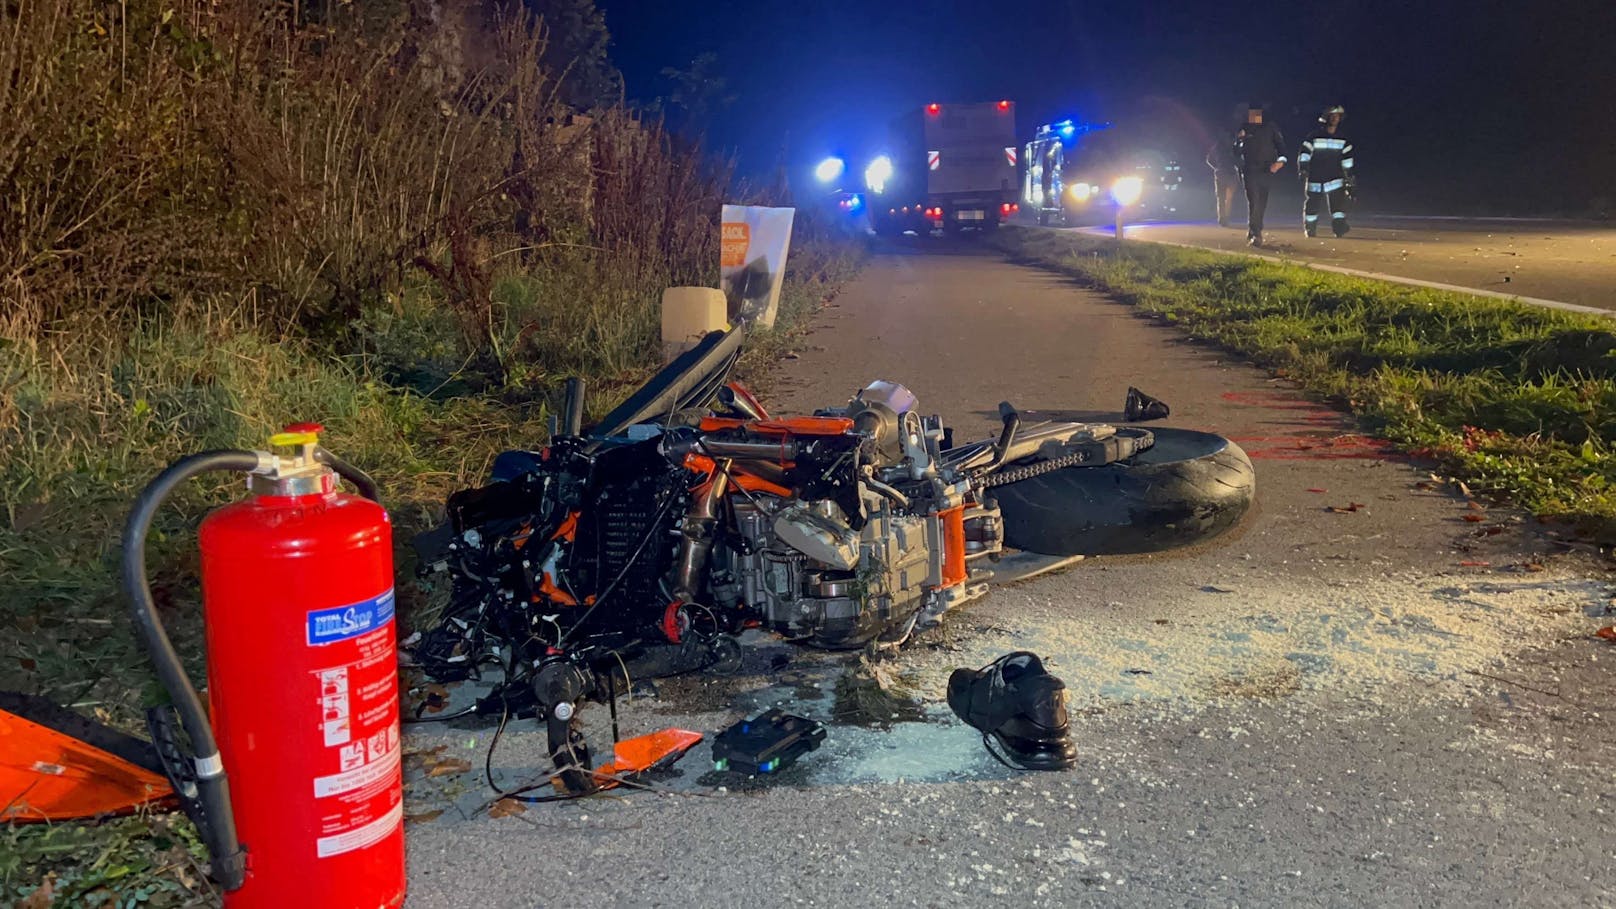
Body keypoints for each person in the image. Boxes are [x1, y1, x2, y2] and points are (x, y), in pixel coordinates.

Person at [1233, 104, 1287, 246]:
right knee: (1254, 200)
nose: (1254, 116)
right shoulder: (1244, 128)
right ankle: (1256, 233)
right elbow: (1236, 152)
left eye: (1257, 113)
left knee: (1262, 202)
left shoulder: (1271, 127)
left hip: (1266, 170)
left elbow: (1282, 149)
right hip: (1249, 170)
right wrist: (1239, 140)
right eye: (1251, 113)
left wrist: (1279, 163)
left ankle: (1255, 229)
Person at [1298, 105, 1356, 237]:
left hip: (1335, 178)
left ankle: (1339, 229)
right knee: (1312, 205)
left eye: (1337, 116)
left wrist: (1350, 178)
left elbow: (1347, 161)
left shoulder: (1343, 139)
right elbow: (1304, 154)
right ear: (1326, 118)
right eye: (1332, 116)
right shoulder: (1313, 136)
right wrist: (1303, 169)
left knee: (1338, 208)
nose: (1335, 118)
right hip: (1315, 177)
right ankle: (1310, 229)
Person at [1206, 134, 1240, 228]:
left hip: (1222, 173)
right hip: (1229, 174)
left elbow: (1209, 159)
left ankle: (1223, 218)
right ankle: (1225, 218)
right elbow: (1238, 160)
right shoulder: (1232, 147)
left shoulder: (1217, 147)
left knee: (1221, 198)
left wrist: (1216, 167)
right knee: (1227, 198)